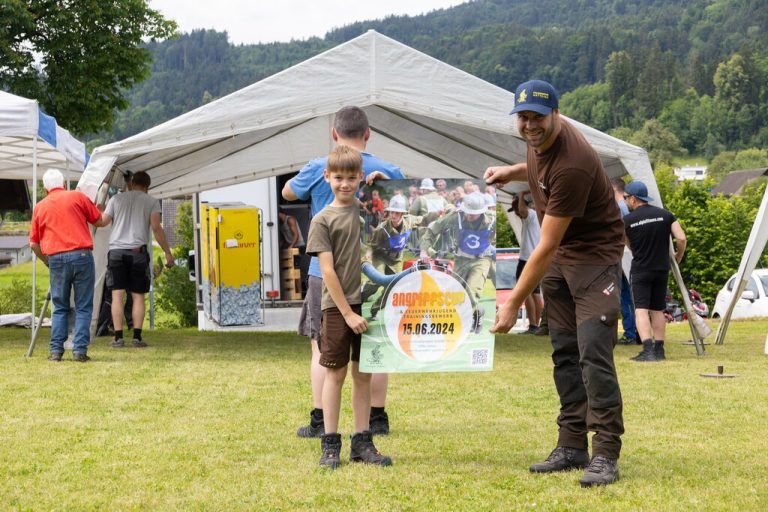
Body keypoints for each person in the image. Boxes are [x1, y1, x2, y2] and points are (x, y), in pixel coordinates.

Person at [484, 79, 624, 487]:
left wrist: (513, 303)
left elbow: (545, 245)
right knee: (564, 352)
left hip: (594, 259)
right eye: (523, 117)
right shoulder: (540, 140)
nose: (529, 125)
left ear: (556, 115)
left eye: (538, 118)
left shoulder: (573, 162)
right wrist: (510, 172)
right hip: (563, 259)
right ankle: (571, 445)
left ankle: (605, 453)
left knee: (593, 354)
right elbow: (535, 166)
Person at [282, 106, 404, 438]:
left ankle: (321, 420)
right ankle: (377, 417)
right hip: (373, 268)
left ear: (334, 134)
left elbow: (288, 192)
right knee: (375, 346)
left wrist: (315, 175)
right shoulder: (390, 170)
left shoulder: (320, 167)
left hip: (325, 272)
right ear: (368, 134)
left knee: (322, 348)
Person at [306, 145, 392, 469]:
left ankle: (362, 442)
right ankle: (330, 444)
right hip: (337, 308)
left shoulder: (366, 211)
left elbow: (399, 216)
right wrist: (347, 313)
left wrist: (385, 185)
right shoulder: (322, 220)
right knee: (336, 373)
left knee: (363, 374)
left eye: (352, 178)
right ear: (327, 176)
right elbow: (327, 271)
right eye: (338, 177)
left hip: (368, 303)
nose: (345, 184)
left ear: (360, 177)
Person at [29, 169, 109, 362]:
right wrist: (104, 209)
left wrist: (47, 261)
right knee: (83, 306)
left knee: (60, 306)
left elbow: (33, 244)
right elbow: (99, 221)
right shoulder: (77, 197)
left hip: (56, 258)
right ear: (64, 184)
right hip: (81, 256)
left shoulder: (39, 207)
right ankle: (79, 351)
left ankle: (56, 352)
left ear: (45, 188)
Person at [100, 171, 174, 348]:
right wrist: (167, 252)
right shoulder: (151, 202)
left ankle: (118, 338)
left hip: (116, 252)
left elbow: (102, 222)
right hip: (137, 253)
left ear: (132, 183)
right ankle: (137, 337)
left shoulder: (116, 199)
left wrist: (97, 210)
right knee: (138, 295)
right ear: (147, 186)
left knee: (117, 295)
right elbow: (156, 228)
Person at [623, 181, 687, 362]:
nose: (625, 201)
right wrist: (678, 256)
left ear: (633, 199)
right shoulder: (665, 215)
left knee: (641, 310)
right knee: (658, 309)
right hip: (661, 269)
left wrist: (638, 250)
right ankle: (659, 350)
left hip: (641, 269)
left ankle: (648, 350)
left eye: (626, 197)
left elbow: (626, 243)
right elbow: (681, 238)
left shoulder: (626, 221)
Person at [419, 192, 496, 333]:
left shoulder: (492, 219)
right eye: (467, 212)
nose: (469, 216)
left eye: (473, 214)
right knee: (455, 294)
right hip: (461, 259)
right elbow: (433, 229)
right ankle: (477, 312)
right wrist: (424, 250)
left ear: (481, 212)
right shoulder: (456, 216)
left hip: (481, 259)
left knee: (471, 291)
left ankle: (463, 323)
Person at [361, 195, 417, 320]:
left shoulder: (409, 222)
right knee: (376, 281)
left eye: (397, 212)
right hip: (380, 257)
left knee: (393, 287)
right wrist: (368, 254)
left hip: (395, 260)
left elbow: (424, 218)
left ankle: (375, 309)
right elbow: (371, 245)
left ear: (402, 214)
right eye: (392, 212)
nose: (393, 215)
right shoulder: (381, 229)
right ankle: (360, 297)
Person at [610, 178, 639, 345]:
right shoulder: (628, 207)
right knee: (632, 295)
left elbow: (620, 235)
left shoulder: (619, 208)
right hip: (631, 256)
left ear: (614, 189)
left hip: (623, 256)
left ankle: (630, 332)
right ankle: (636, 331)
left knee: (626, 296)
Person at [510, 193, 544, 335]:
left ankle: (533, 325)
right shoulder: (539, 217)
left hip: (526, 259)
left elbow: (523, 210)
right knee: (535, 293)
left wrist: (521, 194)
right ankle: (537, 325)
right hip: (537, 258)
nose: (516, 214)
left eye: (516, 210)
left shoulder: (530, 215)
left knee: (525, 292)